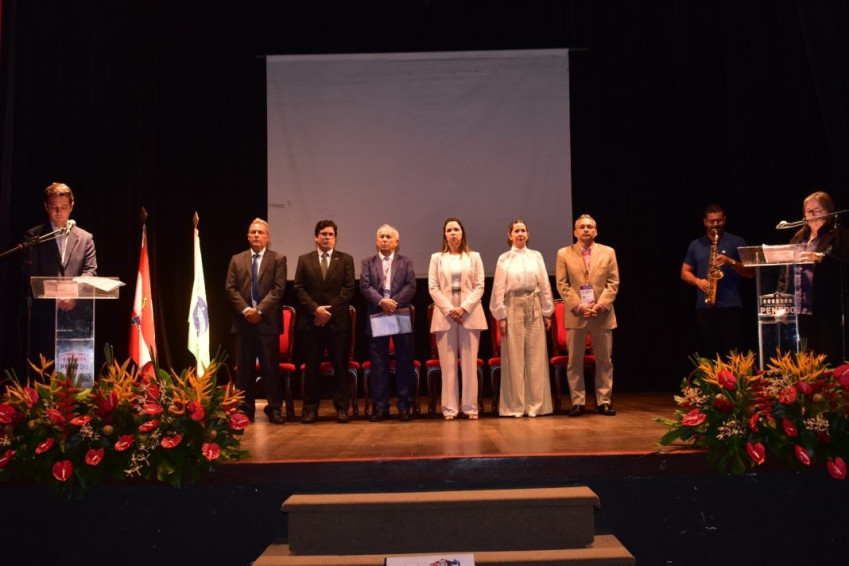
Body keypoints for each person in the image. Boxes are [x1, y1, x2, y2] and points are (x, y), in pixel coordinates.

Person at [23, 182, 97, 368]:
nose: (59, 212)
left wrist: (74, 294)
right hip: (45, 316)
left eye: (63, 207)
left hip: (77, 316)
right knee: (44, 371)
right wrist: (56, 296)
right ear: (46, 207)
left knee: (73, 373)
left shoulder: (85, 238)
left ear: (72, 206)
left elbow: (90, 271)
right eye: (54, 207)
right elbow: (32, 274)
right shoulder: (34, 237)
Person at [555, 214, 620, 416]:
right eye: (582, 227)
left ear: (596, 231)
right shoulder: (564, 253)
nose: (586, 230)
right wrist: (579, 305)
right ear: (575, 232)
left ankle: (603, 401)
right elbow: (562, 284)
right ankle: (578, 402)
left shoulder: (608, 252)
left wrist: (600, 306)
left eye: (590, 227)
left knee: (604, 360)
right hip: (577, 315)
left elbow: (613, 283)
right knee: (574, 361)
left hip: (602, 314)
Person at [489, 219, 554, 418]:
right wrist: (501, 315)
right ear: (510, 235)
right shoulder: (504, 259)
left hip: (533, 304)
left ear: (528, 234)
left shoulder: (536, 256)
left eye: (523, 230)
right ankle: (515, 406)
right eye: (516, 231)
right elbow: (499, 287)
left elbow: (544, 283)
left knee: (536, 356)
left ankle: (537, 405)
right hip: (513, 305)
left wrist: (547, 311)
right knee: (514, 357)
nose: (520, 234)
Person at [293, 220, 356, 424]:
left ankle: (342, 408)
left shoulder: (345, 259)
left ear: (335, 238)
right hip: (311, 323)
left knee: (340, 366)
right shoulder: (304, 260)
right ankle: (310, 410)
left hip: (337, 323)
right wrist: (316, 310)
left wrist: (328, 311)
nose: (327, 237)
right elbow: (299, 288)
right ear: (316, 237)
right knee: (311, 368)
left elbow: (348, 289)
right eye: (323, 234)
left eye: (330, 234)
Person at [226, 218, 287, 424]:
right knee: (244, 369)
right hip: (243, 323)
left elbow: (278, 290)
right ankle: (245, 409)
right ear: (248, 236)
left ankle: (275, 408)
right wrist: (246, 310)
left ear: (268, 237)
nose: (256, 235)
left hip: (267, 322)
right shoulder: (237, 259)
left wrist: (259, 311)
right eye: (253, 232)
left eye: (260, 232)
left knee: (270, 368)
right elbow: (231, 289)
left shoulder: (278, 258)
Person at [428, 218, 487, 420]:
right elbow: (433, 287)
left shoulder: (474, 257)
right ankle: (450, 409)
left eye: (456, 229)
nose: (453, 233)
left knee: (470, 364)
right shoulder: (437, 258)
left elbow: (480, 286)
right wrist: (449, 309)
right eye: (449, 230)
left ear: (462, 233)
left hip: (469, 313)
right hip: (445, 315)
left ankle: (470, 407)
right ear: (444, 234)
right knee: (448, 365)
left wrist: (463, 307)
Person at [780, 192, 848, 365]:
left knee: (827, 358)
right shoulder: (797, 237)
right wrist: (782, 300)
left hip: (826, 309)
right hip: (800, 310)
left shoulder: (838, 236)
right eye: (808, 211)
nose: (811, 215)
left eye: (816, 211)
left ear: (828, 211)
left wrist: (822, 258)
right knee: (804, 360)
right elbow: (784, 272)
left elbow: (844, 263)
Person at [681, 204, 754, 359]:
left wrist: (730, 262)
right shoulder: (695, 245)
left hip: (731, 306)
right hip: (705, 306)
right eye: (711, 221)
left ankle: (736, 383)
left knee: (733, 353)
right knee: (709, 353)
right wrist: (698, 281)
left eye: (719, 221)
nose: (715, 225)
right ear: (704, 222)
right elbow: (684, 273)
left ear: (724, 220)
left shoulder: (737, 241)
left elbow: (750, 273)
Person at [360, 224, 417, 422]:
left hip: (399, 313)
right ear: (376, 241)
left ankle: (404, 406)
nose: (385, 240)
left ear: (396, 242)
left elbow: (411, 286)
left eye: (388, 237)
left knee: (404, 361)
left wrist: (393, 303)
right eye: (381, 237)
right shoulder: (367, 262)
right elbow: (365, 286)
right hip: (377, 315)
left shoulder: (406, 262)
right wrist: (381, 302)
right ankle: (381, 407)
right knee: (379, 364)